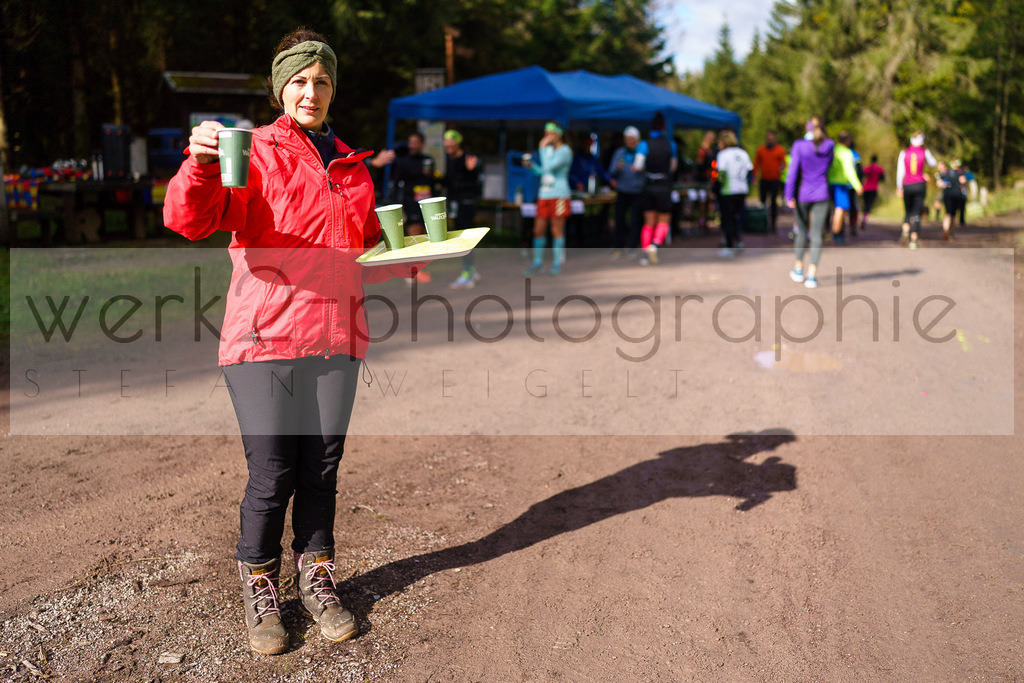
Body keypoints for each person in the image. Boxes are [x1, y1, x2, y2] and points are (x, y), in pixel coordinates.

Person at [163, 28, 417, 655]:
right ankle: (259, 586)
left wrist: (410, 255)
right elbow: (190, 219)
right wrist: (197, 163)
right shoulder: (252, 151)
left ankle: (319, 577)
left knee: (322, 468)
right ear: (282, 89)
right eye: (300, 81)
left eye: (322, 80)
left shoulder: (352, 166)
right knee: (273, 472)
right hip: (265, 337)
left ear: (333, 89)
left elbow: (355, 253)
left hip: (337, 333)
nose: (312, 91)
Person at [784, 116, 835, 289]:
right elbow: (829, 167)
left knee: (801, 231)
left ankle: (798, 269)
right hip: (822, 194)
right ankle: (812, 275)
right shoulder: (829, 145)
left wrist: (788, 195)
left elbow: (792, 172)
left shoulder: (799, 146)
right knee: (817, 234)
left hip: (802, 195)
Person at [524, 121, 573, 275]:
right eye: (545, 133)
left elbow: (549, 167)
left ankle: (557, 263)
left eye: (550, 132)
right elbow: (543, 172)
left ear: (559, 134)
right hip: (544, 195)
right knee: (538, 229)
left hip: (559, 195)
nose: (547, 136)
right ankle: (537, 261)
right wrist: (532, 166)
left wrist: (542, 147)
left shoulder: (565, 151)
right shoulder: (549, 150)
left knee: (556, 229)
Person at [633, 112, 678, 265]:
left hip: (648, 185)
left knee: (648, 221)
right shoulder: (671, 144)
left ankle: (645, 253)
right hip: (664, 185)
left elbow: (637, 166)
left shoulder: (644, 144)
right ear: (664, 127)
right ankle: (656, 244)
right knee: (664, 219)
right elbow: (673, 167)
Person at [442, 129, 483, 288]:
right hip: (456, 202)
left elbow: (474, 178)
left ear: (458, 142)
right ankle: (470, 269)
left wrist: (472, 170)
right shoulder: (451, 159)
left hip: (467, 203)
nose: (448, 144)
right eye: (446, 141)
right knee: (461, 236)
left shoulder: (468, 157)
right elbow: (449, 182)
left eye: (451, 141)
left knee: (464, 237)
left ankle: (468, 273)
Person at [714, 129, 753, 258]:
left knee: (728, 218)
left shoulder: (723, 154)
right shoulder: (743, 153)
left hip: (728, 191)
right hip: (742, 189)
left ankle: (729, 246)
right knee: (736, 217)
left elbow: (722, 175)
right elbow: (749, 172)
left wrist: (716, 189)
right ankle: (739, 241)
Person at [608, 126, 645, 259]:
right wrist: (617, 169)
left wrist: (640, 169)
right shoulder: (619, 153)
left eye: (631, 139)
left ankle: (632, 248)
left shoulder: (641, 152)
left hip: (636, 192)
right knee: (620, 220)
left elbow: (645, 170)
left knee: (635, 221)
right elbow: (611, 172)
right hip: (622, 191)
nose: (629, 142)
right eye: (627, 139)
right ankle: (618, 248)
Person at [896, 130, 937, 249]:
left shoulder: (904, 153)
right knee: (916, 211)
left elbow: (900, 172)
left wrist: (899, 187)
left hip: (907, 185)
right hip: (919, 184)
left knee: (908, 210)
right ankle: (914, 240)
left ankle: (905, 230)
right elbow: (933, 163)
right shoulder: (924, 152)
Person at [825, 131, 863, 245]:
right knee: (841, 209)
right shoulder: (846, 153)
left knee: (831, 209)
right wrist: (857, 185)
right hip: (840, 185)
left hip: (829, 183)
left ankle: (829, 232)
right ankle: (837, 234)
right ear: (847, 141)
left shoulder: (832, 150)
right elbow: (849, 171)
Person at [753, 130, 787, 232]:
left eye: (772, 138)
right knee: (763, 202)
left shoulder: (780, 150)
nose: (770, 140)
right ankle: (763, 223)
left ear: (775, 139)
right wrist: (754, 177)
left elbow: (784, 163)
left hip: (775, 180)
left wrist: (782, 168)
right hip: (764, 179)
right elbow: (756, 164)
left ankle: (773, 225)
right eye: (768, 138)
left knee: (773, 203)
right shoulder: (761, 150)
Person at [935, 160, 966, 241]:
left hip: (947, 195)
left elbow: (940, 184)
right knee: (953, 215)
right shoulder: (960, 172)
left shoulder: (945, 173)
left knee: (948, 214)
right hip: (957, 195)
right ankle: (951, 233)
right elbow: (963, 181)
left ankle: (945, 229)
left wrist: (945, 184)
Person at [694, 130, 718, 232]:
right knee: (702, 202)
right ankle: (701, 222)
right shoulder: (702, 151)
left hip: (709, 178)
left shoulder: (709, 151)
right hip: (702, 179)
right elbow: (699, 165)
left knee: (708, 201)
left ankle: (704, 221)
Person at [860, 155, 885, 229]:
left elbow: (861, 175)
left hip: (866, 188)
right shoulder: (879, 169)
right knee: (869, 204)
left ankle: (864, 216)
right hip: (873, 188)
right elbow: (882, 179)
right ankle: (865, 217)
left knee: (865, 203)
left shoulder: (867, 168)